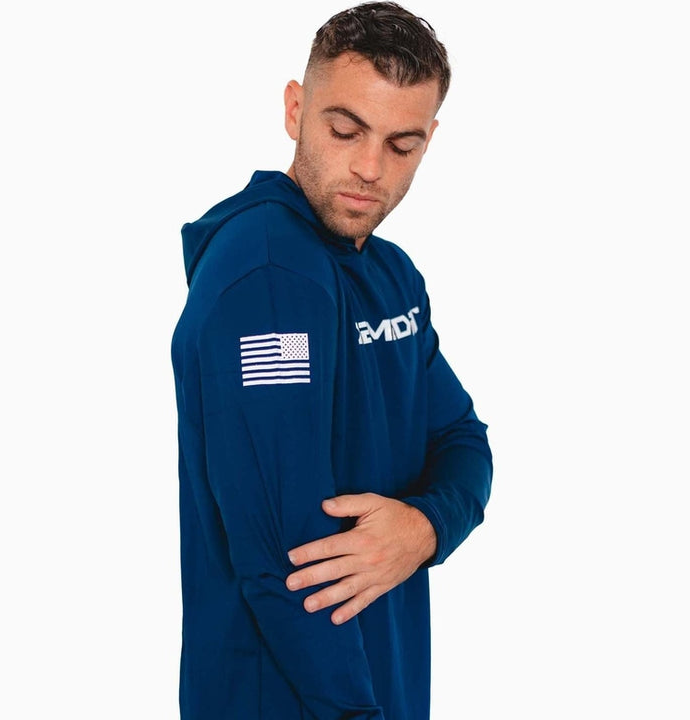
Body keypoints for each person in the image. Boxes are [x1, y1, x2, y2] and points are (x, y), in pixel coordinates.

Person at [171, 3, 492, 718]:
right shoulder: (267, 275)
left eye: (402, 145)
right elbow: (285, 559)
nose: (369, 168)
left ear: (430, 140)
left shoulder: (391, 275)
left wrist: (427, 526)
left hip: (383, 686)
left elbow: (463, 442)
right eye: (345, 130)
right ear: (295, 110)